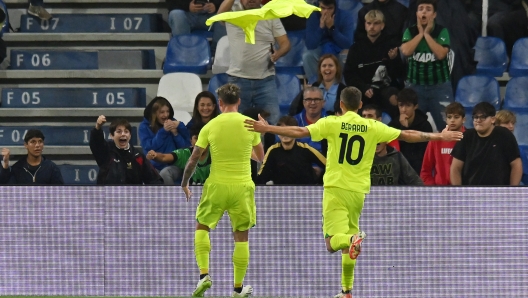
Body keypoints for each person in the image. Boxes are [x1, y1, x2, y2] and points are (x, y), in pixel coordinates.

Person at [244, 86, 463, 298]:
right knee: (348, 246)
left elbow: (299, 131)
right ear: (360, 105)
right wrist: (438, 137)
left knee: (333, 242)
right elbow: (407, 134)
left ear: (340, 104)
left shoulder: (332, 122)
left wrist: (268, 128)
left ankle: (351, 241)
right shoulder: (372, 126)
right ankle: (347, 291)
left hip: (336, 189)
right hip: (358, 192)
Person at [181, 83, 265, 298]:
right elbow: (260, 157)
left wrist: (184, 182)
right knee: (241, 237)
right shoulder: (250, 125)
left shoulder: (210, 126)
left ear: (219, 103)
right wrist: (242, 151)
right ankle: (237, 288)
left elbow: (194, 158)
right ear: (239, 101)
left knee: (202, 226)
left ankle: (204, 275)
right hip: (242, 186)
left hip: (217, 184)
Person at [218, 0, 291, 125]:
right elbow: (219, 15)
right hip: (237, 80)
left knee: (272, 123)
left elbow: (285, 43)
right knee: (233, 124)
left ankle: (270, 146)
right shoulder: (232, 11)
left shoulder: (270, 14)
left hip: (265, 80)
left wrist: (278, 54)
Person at [400, 0, 452, 130]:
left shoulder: (441, 31)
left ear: (434, 15)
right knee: (412, 127)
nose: (424, 11)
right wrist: (420, 34)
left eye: (428, 9)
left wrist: (427, 35)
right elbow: (406, 51)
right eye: (421, 9)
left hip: (439, 87)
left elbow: (441, 54)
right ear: (417, 13)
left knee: (446, 126)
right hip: (415, 87)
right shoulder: (410, 31)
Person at [344, 9, 404, 120]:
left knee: (394, 97)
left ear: (382, 25)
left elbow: (399, 74)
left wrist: (394, 60)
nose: (372, 27)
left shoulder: (391, 45)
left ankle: (395, 131)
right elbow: (349, 74)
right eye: (369, 23)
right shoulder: (356, 48)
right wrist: (363, 88)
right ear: (365, 25)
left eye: (376, 23)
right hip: (363, 91)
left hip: (385, 90)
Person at [450, 102, 522, 186]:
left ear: (493, 119)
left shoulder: (504, 135)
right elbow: (455, 168)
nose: (478, 120)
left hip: (498, 193)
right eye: (475, 117)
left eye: (483, 117)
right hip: (471, 193)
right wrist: (459, 192)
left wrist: (512, 191)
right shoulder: (466, 136)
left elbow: (516, 165)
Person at [90, 115, 163, 185]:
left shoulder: (138, 156)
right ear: (112, 136)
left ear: (130, 135)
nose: (123, 134)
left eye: (126, 131)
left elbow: (154, 180)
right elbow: (96, 143)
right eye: (119, 131)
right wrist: (98, 127)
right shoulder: (106, 151)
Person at [256, 116, 326, 185]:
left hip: (306, 193)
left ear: (295, 133)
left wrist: (320, 184)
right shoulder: (273, 150)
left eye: (289, 132)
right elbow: (262, 176)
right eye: (283, 131)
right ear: (278, 134)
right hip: (281, 194)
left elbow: (328, 165)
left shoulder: (306, 149)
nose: (286, 134)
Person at [139, 96, 191, 185]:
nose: (166, 115)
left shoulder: (173, 123)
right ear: (154, 114)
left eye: (167, 111)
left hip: (174, 165)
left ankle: (171, 199)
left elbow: (185, 148)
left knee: (165, 173)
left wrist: (176, 133)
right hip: (154, 166)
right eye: (162, 112)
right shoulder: (144, 127)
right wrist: (163, 131)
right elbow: (150, 147)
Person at [303, 0, 355, 79]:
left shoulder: (346, 16)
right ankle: (316, 85)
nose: (326, 12)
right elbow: (310, 45)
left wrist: (332, 28)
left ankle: (339, 87)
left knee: (347, 56)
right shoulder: (313, 16)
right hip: (320, 48)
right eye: (323, 8)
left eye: (330, 8)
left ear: (335, 7)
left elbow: (348, 44)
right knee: (307, 56)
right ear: (318, 5)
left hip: (339, 48)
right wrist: (321, 27)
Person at [388, 88, 433, 174]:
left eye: (408, 105)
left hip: (419, 168)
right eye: (401, 105)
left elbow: (424, 154)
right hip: (399, 168)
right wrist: (403, 128)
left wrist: (405, 129)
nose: (404, 109)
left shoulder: (425, 126)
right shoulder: (393, 125)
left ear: (415, 106)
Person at [420, 102, 466, 185]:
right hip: (440, 191)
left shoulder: (469, 138)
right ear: (446, 119)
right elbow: (425, 170)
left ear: (463, 119)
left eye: (456, 117)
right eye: (449, 117)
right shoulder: (436, 139)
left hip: (464, 191)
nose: (452, 120)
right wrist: (433, 189)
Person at [494, 109, 528, 185]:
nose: (511, 126)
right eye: (506, 123)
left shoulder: (519, 150)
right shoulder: (485, 147)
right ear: (497, 125)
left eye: (513, 123)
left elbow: (526, 177)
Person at [293, 86, 329, 154]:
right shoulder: (293, 122)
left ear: (323, 103)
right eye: (309, 99)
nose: (313, 103)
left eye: (317, 99)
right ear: (303, 103)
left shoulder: (331, 123)